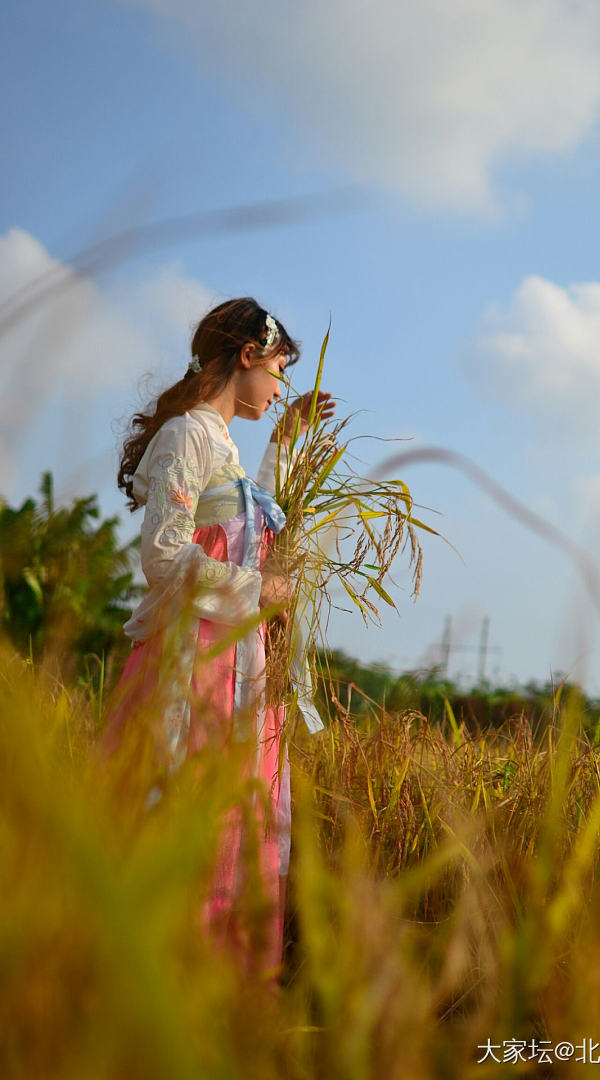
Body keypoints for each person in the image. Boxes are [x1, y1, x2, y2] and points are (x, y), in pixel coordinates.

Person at [101, 297, 334, 976]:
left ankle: (215, 991)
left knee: (233, 820)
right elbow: (164, 555)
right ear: (248, 355)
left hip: (236, 665)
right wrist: (261, 591)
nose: (280, 387)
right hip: (195, 664)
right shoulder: (187, 436)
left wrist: (284, 442)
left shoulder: (222, 445)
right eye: (279, 372)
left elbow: (245, 526)